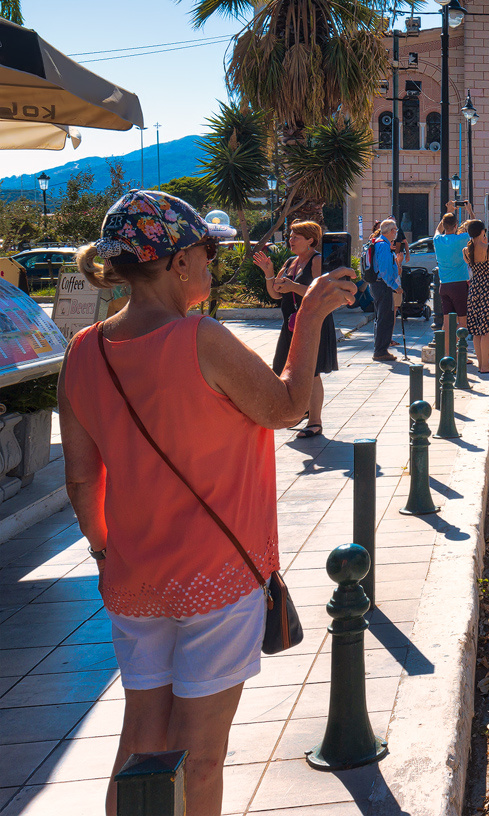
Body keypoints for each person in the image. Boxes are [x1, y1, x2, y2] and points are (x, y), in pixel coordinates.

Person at [58, 190, 354, 816]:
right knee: (203, 752)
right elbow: (285, 407)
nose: (212, 264)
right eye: (206, 251)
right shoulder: (199, 337)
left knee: (140, 739)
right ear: (176, 262)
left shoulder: (84, 350)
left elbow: (82, 480)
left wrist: (104, 549)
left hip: (134, 578)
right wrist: (310, 320)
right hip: (216, 575)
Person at [252, 220, 338, 439]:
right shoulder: (291, 262)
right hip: (291, 324)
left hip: (313, 324)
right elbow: (275, 294)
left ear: (310, 240)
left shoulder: (317, 260)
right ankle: (303, 411)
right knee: (286, 369)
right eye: (290, 236)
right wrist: (268, 273)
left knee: (313, 373)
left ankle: (315, 421)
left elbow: (318, 291)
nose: (290, 240)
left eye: (295, 237)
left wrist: (292, 287)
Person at [464, 219, 489, 374]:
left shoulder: (465, 251)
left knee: (476, 329)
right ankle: (486, 365)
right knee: (486, 329)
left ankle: (481, 363)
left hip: (474, 289)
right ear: (482, 232)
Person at [432, 205, 471, 339]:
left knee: (447, 322)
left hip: (444, 285)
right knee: (462, 321)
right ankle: (462, 355)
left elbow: (438, 229)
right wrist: (470, 211)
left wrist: (447, 211)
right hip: (459, 285)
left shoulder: (437, 240)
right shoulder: (461, 239)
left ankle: (448, 352)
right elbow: (476, 228)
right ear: (456, 226)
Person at [366, 219, 401, 362]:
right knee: (385, 318)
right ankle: (381, 350)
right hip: (383, 285)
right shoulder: (384, 246)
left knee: (380, 317)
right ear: (392, 231)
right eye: (395, 231)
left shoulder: (379, 243)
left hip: (377, 284)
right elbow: (385, 270)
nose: (396, 233)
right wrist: (395, 286)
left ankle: (380, 349)